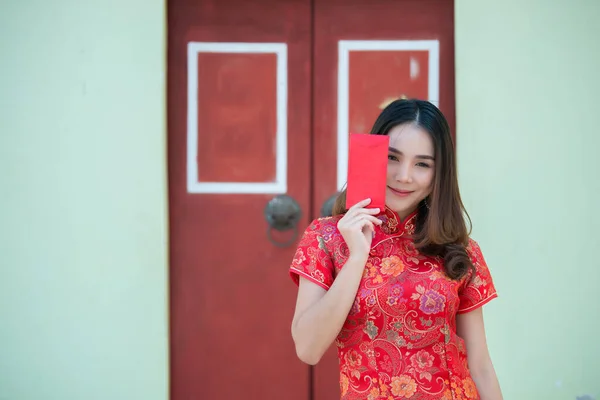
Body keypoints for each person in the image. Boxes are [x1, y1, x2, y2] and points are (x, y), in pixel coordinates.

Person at [289, 99, 503, 400]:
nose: (404, 176)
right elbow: (308, 348)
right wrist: (357, 257)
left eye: (422, 164)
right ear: (372, 157)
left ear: (439, 173)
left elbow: (480, 365)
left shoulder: (459, 248)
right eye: (392, 157)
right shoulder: (327, 237)